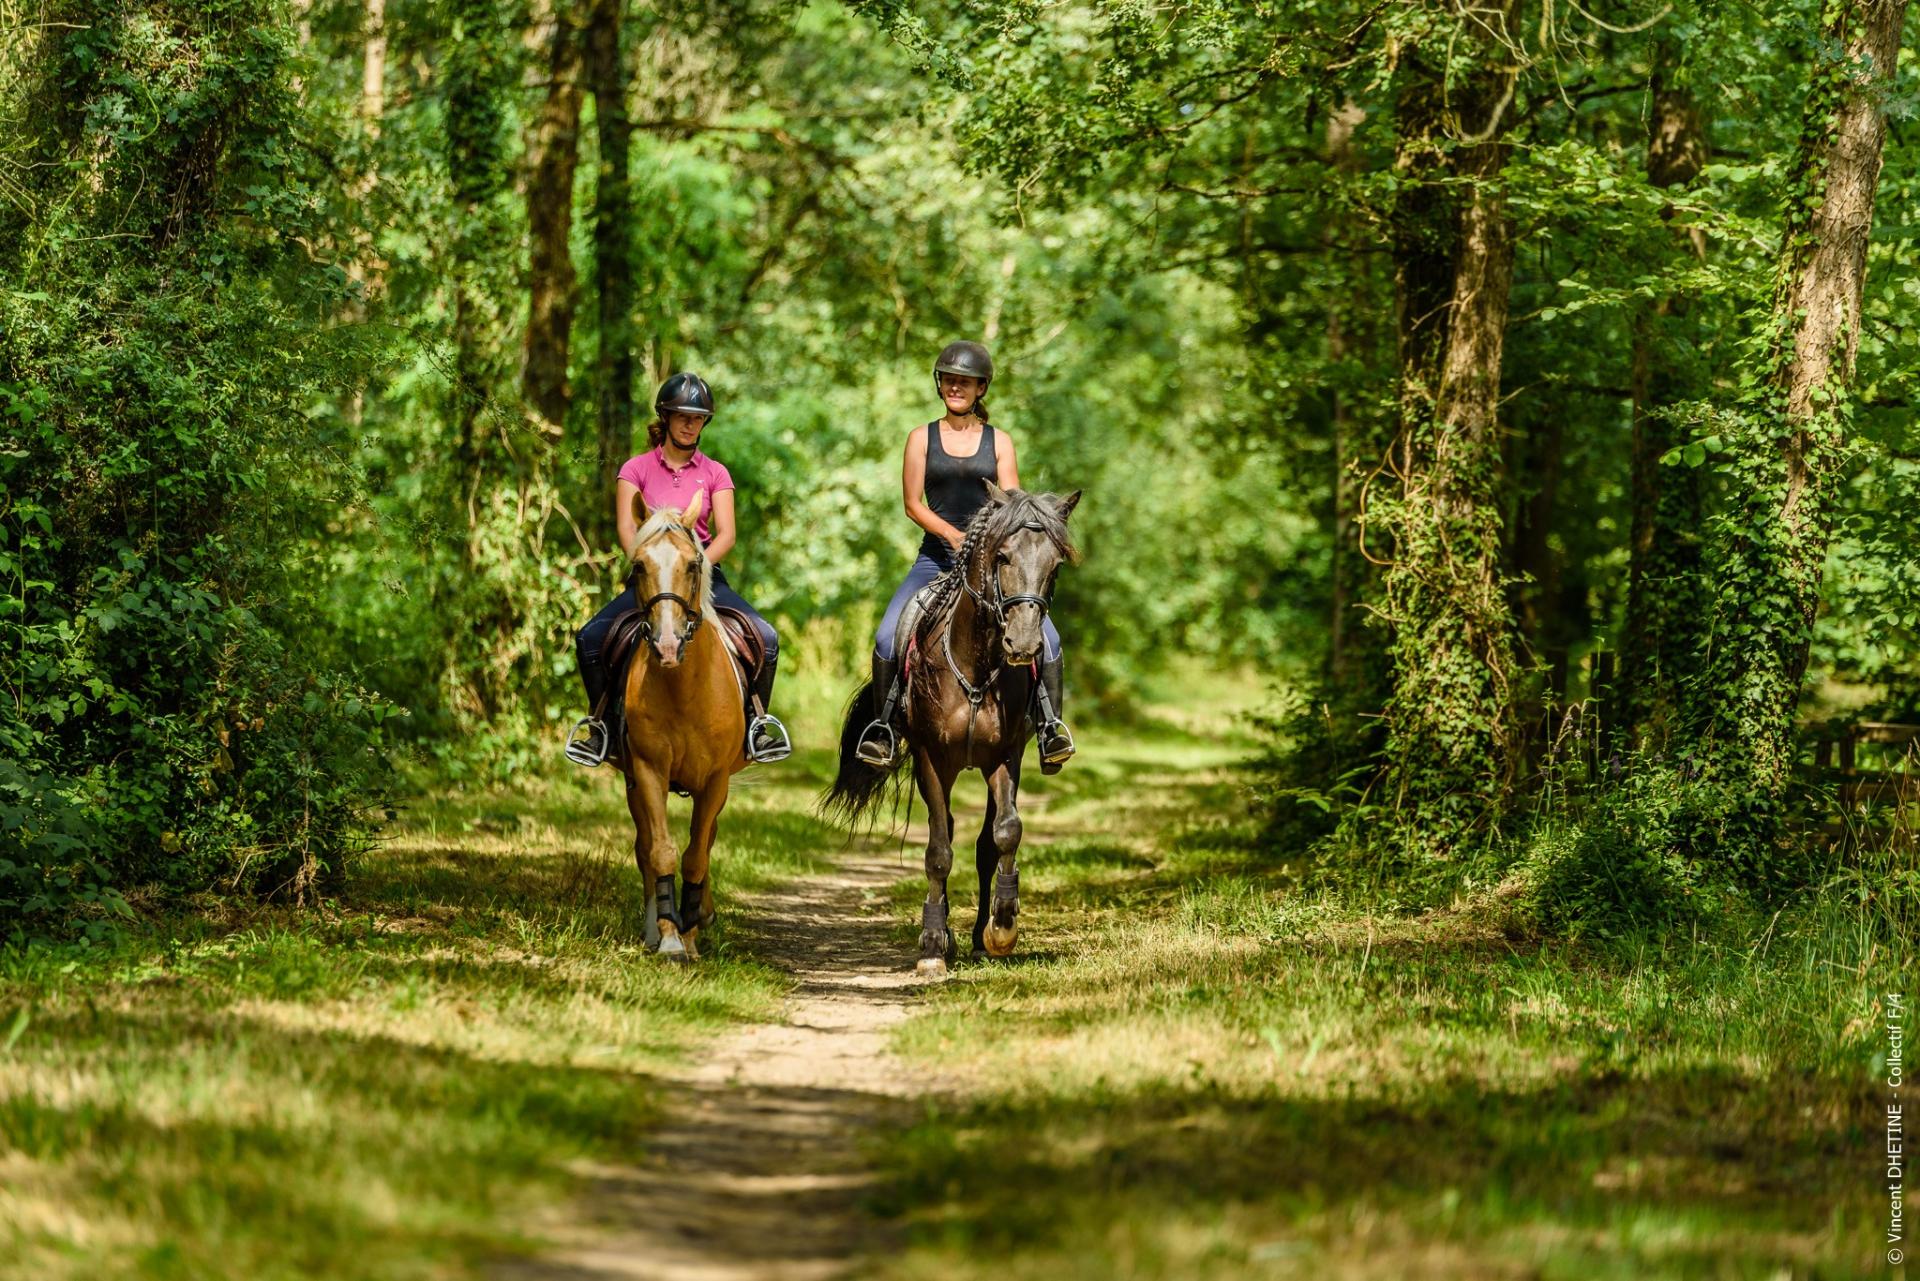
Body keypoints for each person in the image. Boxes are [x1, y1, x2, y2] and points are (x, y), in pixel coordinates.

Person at [854, 341, 1074, 773]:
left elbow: (1010, 503)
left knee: (1049, 639)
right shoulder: (921, 438)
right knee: (886, 637)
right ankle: (885, 730)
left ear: (981, 388)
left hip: (992, 565)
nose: (957, 387)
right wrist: (953, 536)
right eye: (950, 380)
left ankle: (1050, 727)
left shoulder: (1000, 442)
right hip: (935, 560)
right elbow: (912, 503)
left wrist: (991, 544)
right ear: (940, 385)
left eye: (966, 382)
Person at [566, 373, 791, 767]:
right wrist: (650, 567)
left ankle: (756, 724)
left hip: (701, 576)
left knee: (767, 638)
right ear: (665, 417)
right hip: (651, 578)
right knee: (590, 639)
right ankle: (600, 726)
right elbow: (626, 528)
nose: (690, 424)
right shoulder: (634, 469)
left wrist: (696, 567)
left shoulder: (716, 473)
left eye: (699, 417)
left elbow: (726, 534)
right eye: (683, 416)